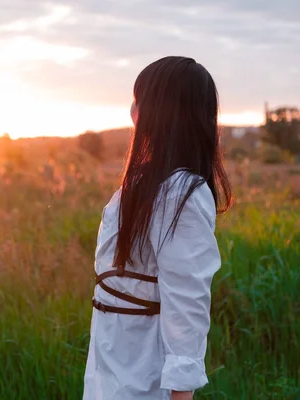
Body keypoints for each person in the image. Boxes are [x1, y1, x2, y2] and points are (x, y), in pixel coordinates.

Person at [82, 56, 233, 400]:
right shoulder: (140, 183)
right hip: (111, 364)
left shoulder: (182, 192)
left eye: (140, 98)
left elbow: (188, 300)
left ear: (162, 111)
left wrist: (181, 393)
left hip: (146, 376)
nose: (132, 108)